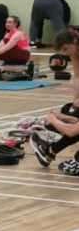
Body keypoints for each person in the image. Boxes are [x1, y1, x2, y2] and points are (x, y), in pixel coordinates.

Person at [32, 27, 79, 169]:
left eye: (66, 49)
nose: (65, 54)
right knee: (70, 110)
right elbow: (77, 76)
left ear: (75, 41)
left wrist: (53, 118)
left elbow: (71, 131)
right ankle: (50, 152)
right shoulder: (75, 52)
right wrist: (75, 102)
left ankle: (50, 150)